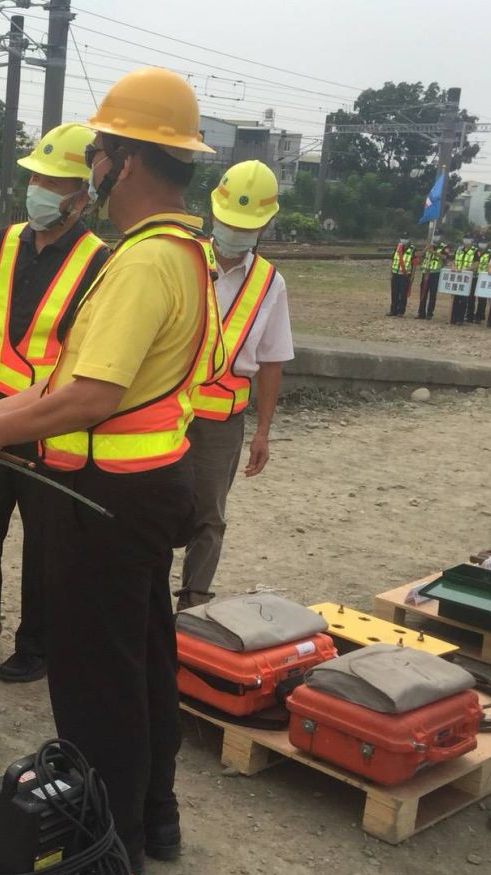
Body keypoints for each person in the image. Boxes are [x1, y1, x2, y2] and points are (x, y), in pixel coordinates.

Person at [0, 66, 223, 868]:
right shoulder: (177, 251)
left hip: (106, 498)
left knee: (98, 685)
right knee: (140, 662)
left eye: (98, 151)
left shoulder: (139, 263)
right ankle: (152, 822)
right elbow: (73, 380)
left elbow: (92, 396)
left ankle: (109, 854)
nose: (89, 167)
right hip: (139, 490)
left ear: (127, 161)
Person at [0, 123, 109, 682]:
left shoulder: (99, 260)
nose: (39, 188)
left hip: (49, 421)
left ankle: (35, 643)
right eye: (36, 176)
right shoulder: (6, 242)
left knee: (44, 542)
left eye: (53, 180)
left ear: (81, 194)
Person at [176, 160, 293, 611]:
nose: (235, 232)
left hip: (220, 425)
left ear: (264, 224)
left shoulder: (270, 284)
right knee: (149, 506)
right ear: (214, 213)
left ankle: (191, 604)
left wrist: (262, 432)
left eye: (247, 226)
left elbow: (272, 362)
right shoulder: (182, 258)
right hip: (166, 410)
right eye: (229, 222)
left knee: (209, 517)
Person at [416, 233, 446, 320]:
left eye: (438, 235)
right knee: (423, 292)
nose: (436, 237)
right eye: (435, 235)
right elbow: (419, 255)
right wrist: (425, 250)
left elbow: (444, 257)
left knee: (432, 294)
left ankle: (430, 313)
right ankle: (421, 312)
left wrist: (434, 252)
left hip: (435, 273)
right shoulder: (428, 246)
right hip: (426, 272)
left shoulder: (443, 247)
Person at [450, 236, 477, 325]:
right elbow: (453, 261)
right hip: (458, 277)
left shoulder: (475, 251)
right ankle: (453, 318)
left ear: (472, 240)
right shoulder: (459, 250)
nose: (467, 240)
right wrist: (453, 267)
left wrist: (466, 270)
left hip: (468, 277)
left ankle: (460, 319)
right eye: (465, 238)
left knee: (464, 299)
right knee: (456, 298)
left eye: (468, 238)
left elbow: (476, 264)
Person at [387, 235, 414, 316]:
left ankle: (401, 311)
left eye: (406, 238)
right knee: (394, 293)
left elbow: (414, 263)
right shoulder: (397, 248)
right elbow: (393, 260)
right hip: (395, 273)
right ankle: (393, 310)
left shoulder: (412, 249)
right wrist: (391, 272)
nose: (404, 240)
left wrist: (412, 275)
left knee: (403, 294)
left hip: (405, 274)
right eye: (403, 238)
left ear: (409, 239)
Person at [471, 238, 491, 323]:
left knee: (482, 298)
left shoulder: (490, 253)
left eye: (484, 243)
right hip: (474, 276)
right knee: (471, 296)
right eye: (481, 243)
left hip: (484, 277)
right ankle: (470, 315)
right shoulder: (475, 252)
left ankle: (479, 316)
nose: (482, 244)